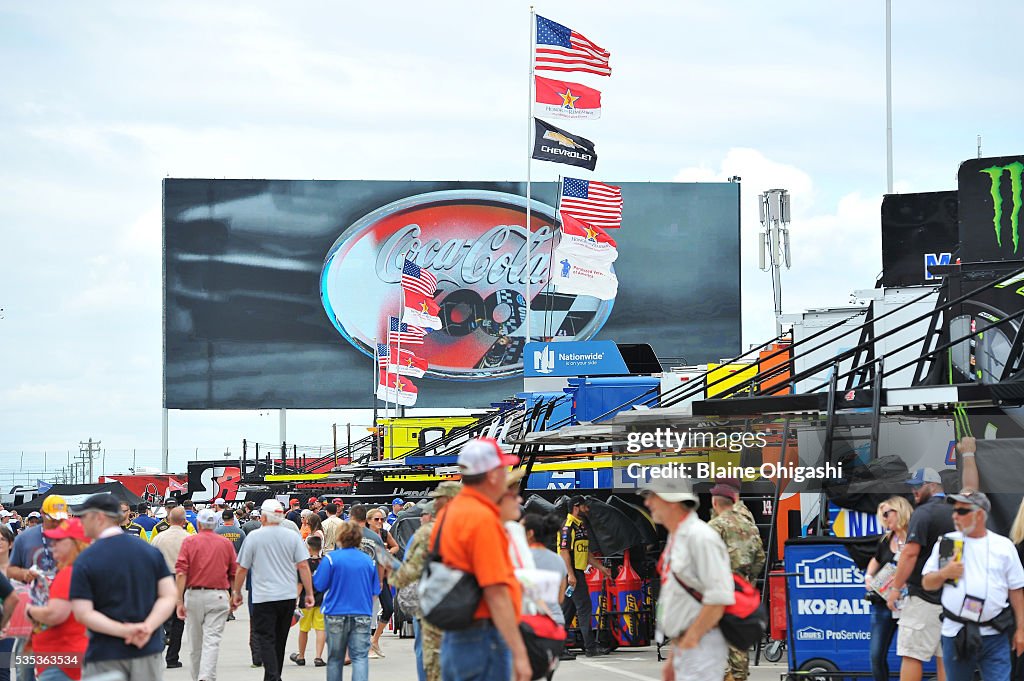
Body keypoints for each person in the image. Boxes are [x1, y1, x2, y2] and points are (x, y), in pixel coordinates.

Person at [430, 437, 531, 681]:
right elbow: (496, 591)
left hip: (458, 636)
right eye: (503, 468)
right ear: (493, 475)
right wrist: (519, 652)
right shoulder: (482, 518)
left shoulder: (451, 512)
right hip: (483, 637)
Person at [68, 492, 177, 680]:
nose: (80, 521)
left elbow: (82, 612)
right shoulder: (149, 552)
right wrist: (147, 627)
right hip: (147, 649)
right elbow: (169, 595)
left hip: (105, 653)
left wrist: (124, 631)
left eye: (84, 516)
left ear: (99, 518)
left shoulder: (85, 558)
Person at [922, 490, 1024, 681]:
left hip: (995, 633)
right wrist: (944, 573)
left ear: (979, 514)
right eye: (954, 510)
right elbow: (927, 583)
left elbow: (1016, 589)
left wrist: (1021, 630)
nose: (955, 515)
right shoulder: (948, 543)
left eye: (962, 511)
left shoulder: (1003, 546)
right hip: (956, 632)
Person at [642, 476, 734, 681]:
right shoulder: (679, 537)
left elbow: (719, 598)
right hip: (688, 646)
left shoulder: (700, 538)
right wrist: (675, 656)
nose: (647, 503)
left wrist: (689, 641)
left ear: (671, 500)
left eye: (653, 497)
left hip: (701, 645)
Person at [232, 499, 314, 681]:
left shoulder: (254, 537)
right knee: (280, 639)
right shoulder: (292, 536)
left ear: (263, 517)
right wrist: (308, 593)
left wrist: (236, 592)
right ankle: (274, 676)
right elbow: (303, 565)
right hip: (287, 596)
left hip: (263, 597)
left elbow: (242, 568)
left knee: (265, 637)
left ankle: (273, 676)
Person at [389, 482, 462, 681]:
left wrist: (393, 577)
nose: (421, 518)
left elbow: (409, 570)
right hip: (461, 603)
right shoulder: (467, 529)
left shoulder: (425, 535)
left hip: (430, 602)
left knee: (426, 651)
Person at [886, 467, 954, 681]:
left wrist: (895, 588)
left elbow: (910, 553)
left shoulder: (923, 513)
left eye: (918, 486)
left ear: (932, 486)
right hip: (952, 597)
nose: (914, 491)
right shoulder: (956, 510)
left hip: (924, 598)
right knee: (946, 657)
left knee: (912, 655)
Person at [707, 480, 765, 681]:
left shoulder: (716, 525)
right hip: (742, 587)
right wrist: (749, 581)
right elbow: (760, 557)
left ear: (716, 502)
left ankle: (723, 675)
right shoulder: (748, 523)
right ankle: (739, 676)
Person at [23, 518, 89, 681]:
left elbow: (55, 615)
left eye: (59, 540)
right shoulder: (82, 571)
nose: (52, 544)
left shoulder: (69, 573)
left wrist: (30, 611)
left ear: (75, 543)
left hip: (60, 658)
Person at [175, 508, 237, 681]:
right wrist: (235, 595)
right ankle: (207, 676)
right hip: (218, 595)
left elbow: (181, 573)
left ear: (199, 523)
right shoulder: (225, 543)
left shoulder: (189, 542)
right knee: (212, 640)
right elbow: (234, 572)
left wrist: (179, 600)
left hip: (194, 595)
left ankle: (198, 677)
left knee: (195, 644)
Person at [314, 521, 380, 681]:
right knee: (359, 657)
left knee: (335, 658)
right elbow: (375, 590)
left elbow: (319, 584)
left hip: (335, 612)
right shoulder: (368, 561)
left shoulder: (331, 559)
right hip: (361, 612)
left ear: (340, 538)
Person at [863, 495, 913, 681]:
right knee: (876, 655)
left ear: (899, 511)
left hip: (909, 603)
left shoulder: (915, 537)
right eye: (881, 516)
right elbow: (875, 560)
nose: (884, 520)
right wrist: (868, 576)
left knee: (910, 654)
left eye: (886, 514)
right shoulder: (887, 539)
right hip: (883, 602)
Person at [559, 495, 611, 657]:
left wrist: (601, 567)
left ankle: (558, 647)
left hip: (576, 573)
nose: (587, 509)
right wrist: (571, 575)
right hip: (572, 574)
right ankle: (590, 647)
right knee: (585, 608)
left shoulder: (579, 526)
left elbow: (585, 553)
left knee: (568, 611)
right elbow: (564, 552)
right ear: (576, 506)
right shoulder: (568, 527)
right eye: (584, 506)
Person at [523, 513, 569, 662]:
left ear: (530, 534)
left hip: (529, 625)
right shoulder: (558, 561)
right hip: (555, 624)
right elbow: (560, 598)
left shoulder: (520, 558)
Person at [151, 507, 191, 670]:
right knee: (178, 619)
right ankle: (172, 658)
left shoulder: (159, 538)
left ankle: (156, 650)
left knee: (159, 617)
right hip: (182, 580)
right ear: (184, 522)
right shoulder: (189, 538)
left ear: (168, 520)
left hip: (162, 579)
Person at [7, 494, 66, 585]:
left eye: (60, 519)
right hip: (35, 594)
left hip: (64, 593)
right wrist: (24, 574)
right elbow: (10, 570)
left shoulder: (71, 536)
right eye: (52, 518)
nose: (56, 522)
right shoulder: (24, 538)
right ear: (42, 513)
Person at [290, 535, 326, 668]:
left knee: (304, 629)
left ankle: (301, 656)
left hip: (306, 602)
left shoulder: (303, 564)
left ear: (308, 548)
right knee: (320, 629)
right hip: (321, 601)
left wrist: (294, 600)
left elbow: (300, 584)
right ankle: (318, 657)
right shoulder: (324, 563)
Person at [366, 506, 397, 658]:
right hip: (368, 576)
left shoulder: (384, 533)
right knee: (369, 611)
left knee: (389, 608)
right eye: (376, 519)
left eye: (382, 519)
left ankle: (375, 639)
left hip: (383, 576)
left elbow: (396, 546)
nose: (380, 521)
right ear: (368, 521)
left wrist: (389, 551)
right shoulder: (365, 535)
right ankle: (367, 646)